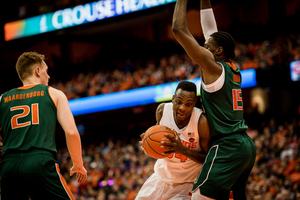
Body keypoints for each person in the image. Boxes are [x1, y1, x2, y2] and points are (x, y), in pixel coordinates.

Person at [172, 0, 256, 199]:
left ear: (218, 51)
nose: (202, 49)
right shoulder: (231, 69)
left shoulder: (212, 67)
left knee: (200, 196)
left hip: (227, 146)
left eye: (206, 47)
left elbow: (177, 29)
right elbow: (210, 29)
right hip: (244, 146)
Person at [0, 52, 87, 200]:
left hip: (9, 166)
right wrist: (78, 164)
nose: (49, 76)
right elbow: (71, 132)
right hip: (39, 162)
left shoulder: (2, 98)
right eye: (46, 71)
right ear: (37, 71)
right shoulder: (54, 94)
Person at [136, 80, 210, 200]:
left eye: (188, 104)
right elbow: (157, 141)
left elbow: (208, 159)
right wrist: (148, 143)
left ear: (194, 104)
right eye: (179, 102)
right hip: (160, 179)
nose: (182, 108)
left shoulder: (201, 122)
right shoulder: (162, 111)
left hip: (186, 184)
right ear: (173, 98)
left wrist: (182, 150)